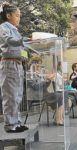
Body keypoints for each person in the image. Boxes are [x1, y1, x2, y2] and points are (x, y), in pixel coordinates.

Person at [0, 3, 28, 132]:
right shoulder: (4, 27)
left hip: (18, 64)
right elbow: (8, 40)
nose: (19, 18)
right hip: (9, 63)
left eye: (19, 16)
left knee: (17, 95)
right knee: (10, 95)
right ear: (8, 15)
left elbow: (20, 47)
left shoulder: (16, 30)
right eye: (17, 15)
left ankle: (16, 122)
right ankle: (10, 125)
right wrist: (23, 40)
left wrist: (25, 54)